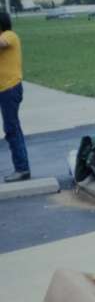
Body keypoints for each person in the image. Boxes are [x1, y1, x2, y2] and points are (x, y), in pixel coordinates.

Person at [0, 11, 30, 183]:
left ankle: (22, 168)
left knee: (12, 129)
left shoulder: (10, 36)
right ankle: (22, 167)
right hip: (3, 89)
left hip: (10, 88)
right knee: (12, 128)